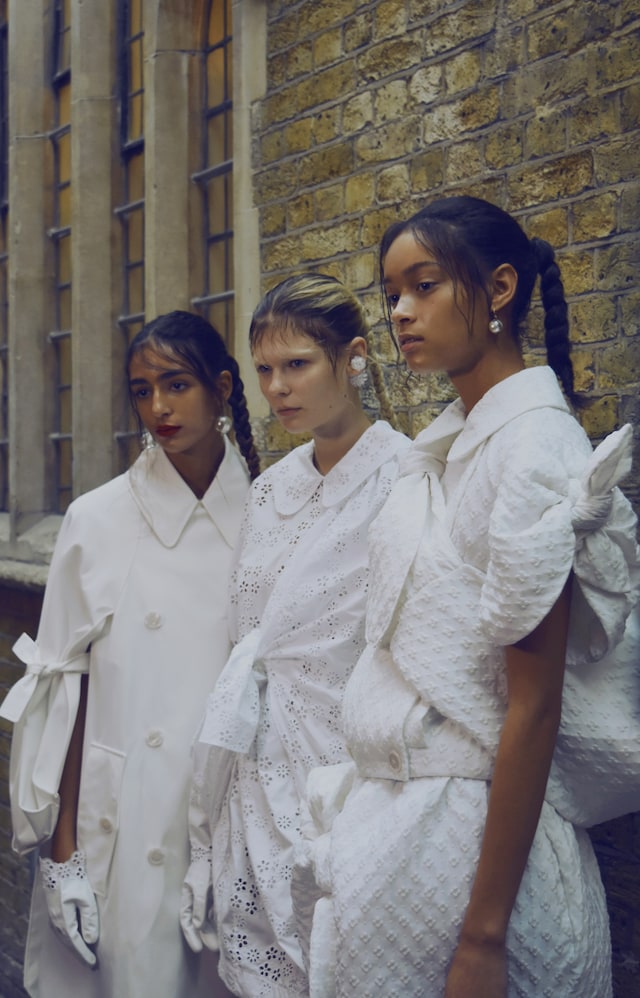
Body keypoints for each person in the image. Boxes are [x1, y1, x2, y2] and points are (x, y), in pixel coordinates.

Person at [295, 197, 640, 997]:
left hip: (487, 862)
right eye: (391, 295)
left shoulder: (535, 450)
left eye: (424, 287)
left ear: (501, 289)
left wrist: (483, 939)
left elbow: (535, 708)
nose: (401, 313)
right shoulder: (454, 443)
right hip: (410, 838)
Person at [0, 310, 260, 998]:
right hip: (124, 823)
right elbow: (62, 695)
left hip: (234, 823)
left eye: (175, 385)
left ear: (224, 388)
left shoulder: (270, 516)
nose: (158, 408)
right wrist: (60, 857)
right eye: (141, 391)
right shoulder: (98, 518)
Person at [179, 273, 411, 997]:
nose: (278, 388)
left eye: (298, 365)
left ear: (355, 358)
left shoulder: (406, 477)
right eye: (265, 371)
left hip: (351, 769)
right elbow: (243, 638)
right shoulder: (270, 489)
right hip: (255, 760)